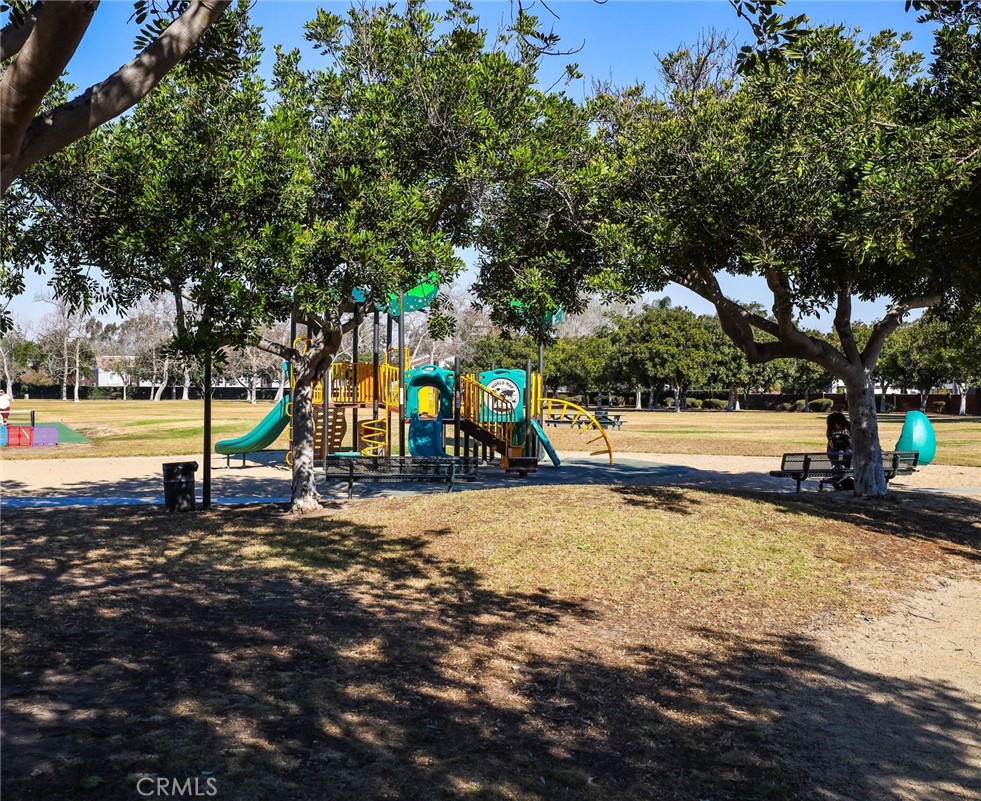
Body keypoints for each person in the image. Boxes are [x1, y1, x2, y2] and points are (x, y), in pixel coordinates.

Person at [825, 411, 854, 491]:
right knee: (834, 454)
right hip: (836, 449)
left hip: (848, 448)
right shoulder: (831, 429)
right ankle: (838, 472)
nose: (838, 426)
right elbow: (830, 440)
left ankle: (843, 472)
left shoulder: (849, 427)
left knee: (848, 454)